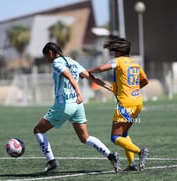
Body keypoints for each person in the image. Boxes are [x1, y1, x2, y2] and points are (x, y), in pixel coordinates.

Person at [33, 42, 120, 173]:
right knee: (85, 137)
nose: (47, 60)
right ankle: (111, 156)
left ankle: (51, 161)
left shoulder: (56, 63)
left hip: (64, 104)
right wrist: (109, 87)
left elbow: (69, 76)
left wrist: (79, 92)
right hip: (77, 106)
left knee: (38, 130)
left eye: (46, 57)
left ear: (50, 53)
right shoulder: (73, 62)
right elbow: (91, 77)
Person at [87, 37, 149, 171]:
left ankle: (140, 152)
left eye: (114, 50)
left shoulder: (118, 61)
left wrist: (89, 71)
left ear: (119, 51)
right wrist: (133, 90)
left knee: (115, 137)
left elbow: (102, 68)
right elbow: (145, 81)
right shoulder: (134, 62)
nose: (113, 53)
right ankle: (132, 164)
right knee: (124, 133)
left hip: (126, 104)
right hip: (137, 102)